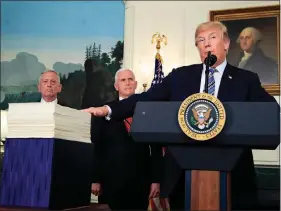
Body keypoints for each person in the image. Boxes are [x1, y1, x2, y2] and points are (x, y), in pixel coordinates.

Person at [83, 21, 277, 210]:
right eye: (200, 40)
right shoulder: (180, 76)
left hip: (233, 173)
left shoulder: (245, 80)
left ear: (226, 44)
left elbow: (269, 110)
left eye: (212, 37)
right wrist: (109, 110)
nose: (206, 43)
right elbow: (148, 98)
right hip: (183, 175)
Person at [91, 68, 163, 210]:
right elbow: (97, 146)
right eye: (123, 80)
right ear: (116, 86)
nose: (127, 83)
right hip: (111, 180)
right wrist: (95, 179)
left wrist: (156, 180)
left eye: (130, 79)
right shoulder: (104, 111)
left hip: (141, 181)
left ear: (136, 84)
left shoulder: (149, 110)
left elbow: (156, 148)